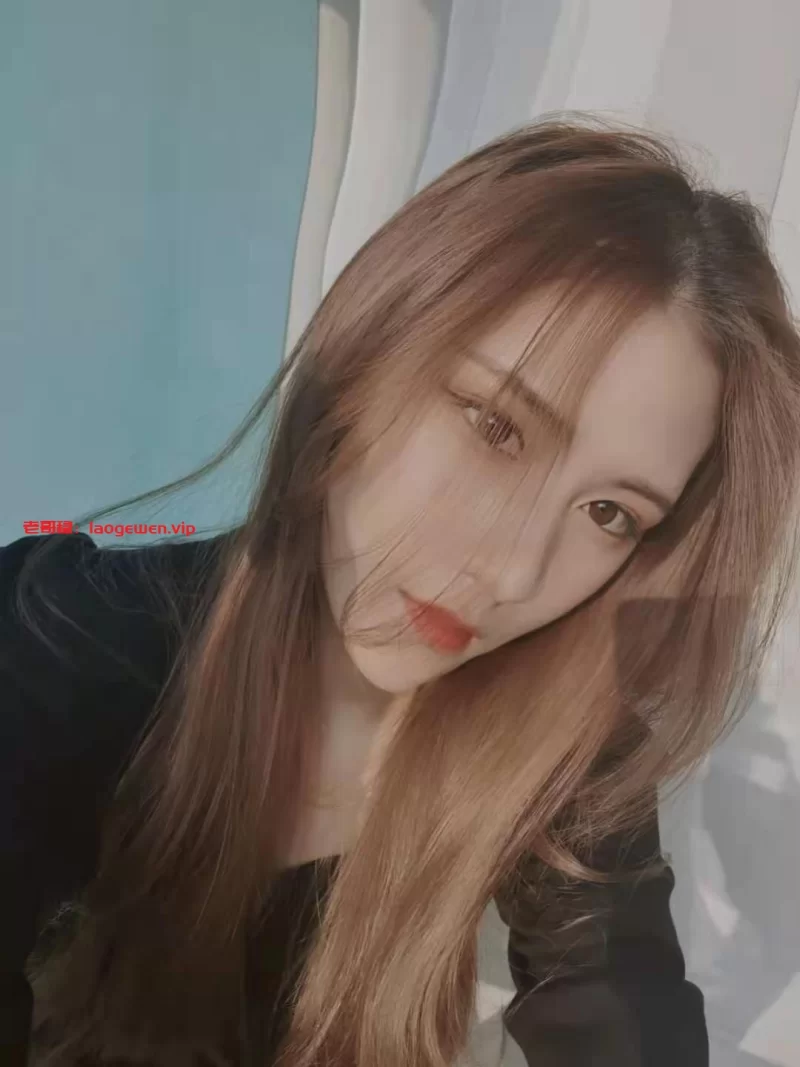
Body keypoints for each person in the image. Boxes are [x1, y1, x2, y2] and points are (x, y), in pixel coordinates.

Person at [2, 116, 799, 1067]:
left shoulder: (563, 740)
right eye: (496, 427)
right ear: (366, 355)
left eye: (609, 513)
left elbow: (626, 1019)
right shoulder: (68, 627)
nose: (514, 573)